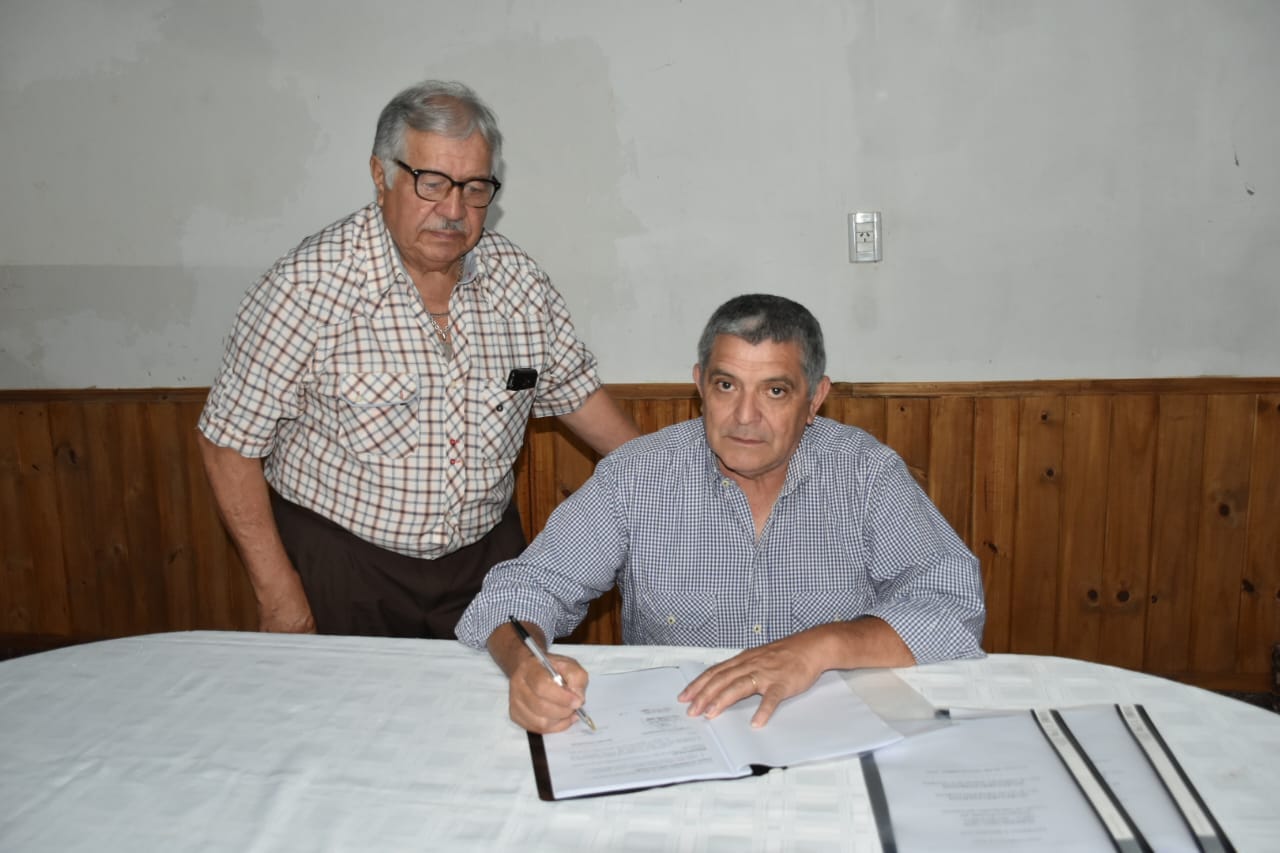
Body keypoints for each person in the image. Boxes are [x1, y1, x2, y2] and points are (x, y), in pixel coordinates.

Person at [197, 80, 639, 638]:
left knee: (502, 696)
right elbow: (227, 446)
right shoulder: (307, 287)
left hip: (486, 560)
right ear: (380, 175)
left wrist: (678, 481)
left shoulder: (520, 284)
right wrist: (277, 591)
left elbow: (580, 398)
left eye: (475, 188)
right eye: (431, 183)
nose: (453, 210)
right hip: (344, 564)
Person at [457, 294, 985, 732]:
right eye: (726, 385)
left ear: (815, 398)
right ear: (699, 385)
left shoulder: (866, 474)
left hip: (829, 727)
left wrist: (822, 646)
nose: (745, 417)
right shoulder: (636, 475)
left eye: (775, 391)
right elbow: (519, 592)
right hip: (685, 729)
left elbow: (953, 604)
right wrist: (527, 667)